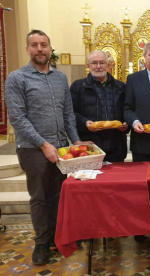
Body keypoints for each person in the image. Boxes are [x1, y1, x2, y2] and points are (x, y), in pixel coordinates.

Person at [5, 30, 89, 265]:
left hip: (62, 148)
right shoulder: (16, 78)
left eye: (44, 45)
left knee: (61, 195)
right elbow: (18, 119)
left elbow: (67, 113)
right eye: (34, 45)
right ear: (27, 50)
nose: (39, 49)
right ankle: (42, 243)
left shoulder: (60, 78)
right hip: (33, 150)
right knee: (40, 197)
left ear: (50, 49)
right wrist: (43, 144)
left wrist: (75, 141)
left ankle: (59, 237)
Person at [70, 50, 129, 162]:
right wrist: (84, 122)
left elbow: (127, 109)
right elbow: (70, 112)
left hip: (116, 147)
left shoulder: (121, 87)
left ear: (108, 65)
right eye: (94, 63)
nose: (98, 66)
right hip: (90, 147)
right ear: (88, 66)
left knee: (117, 178)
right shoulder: (78, 86)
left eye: (102, 63)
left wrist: (126, 123)